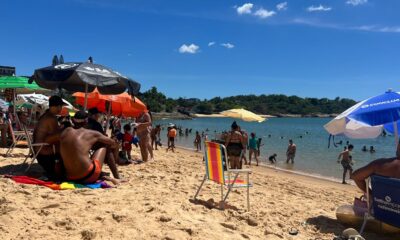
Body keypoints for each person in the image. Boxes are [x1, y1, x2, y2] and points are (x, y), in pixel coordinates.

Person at [32, 96, 66, 180]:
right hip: (45, 154)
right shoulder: (51, 118)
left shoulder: (45, 115)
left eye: (60, 106)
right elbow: (57, 136)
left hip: (39, 152)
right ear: (53, 106)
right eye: (59, 106)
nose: (60, 108)